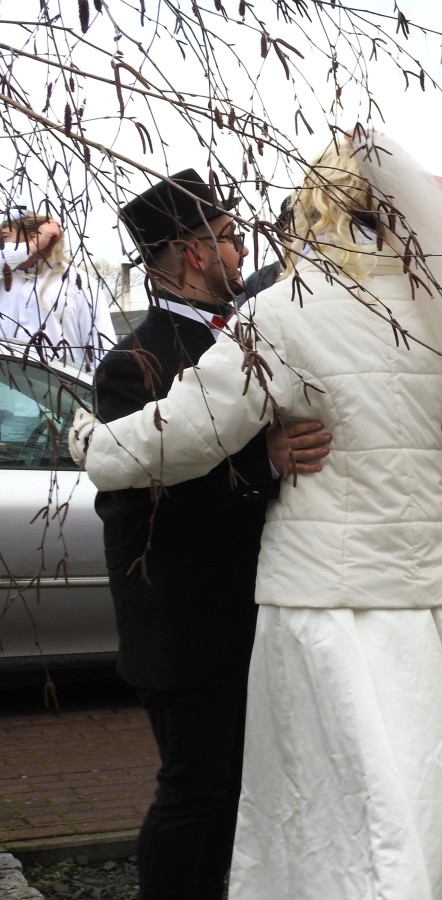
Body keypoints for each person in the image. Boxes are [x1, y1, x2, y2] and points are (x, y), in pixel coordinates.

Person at [75, 129, 442, 898]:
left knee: (332, 798)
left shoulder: (283, 315)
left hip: (324, 597)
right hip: (425, 596)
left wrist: (91, 442)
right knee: (429, 782)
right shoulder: (437, 317)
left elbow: (185, 435)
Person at [86, 168, 329, 900]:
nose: (240, 252)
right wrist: (266, 462)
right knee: (194, 791)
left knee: (232, 794)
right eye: (227, 239)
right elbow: (141, 502)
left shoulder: (243, 339)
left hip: (246, 615)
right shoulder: (135, 363)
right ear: (193, 252)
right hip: (184, 629)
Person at [0, 212, 115, 366]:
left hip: (62, 378)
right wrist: (31, 247)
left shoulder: (75, 281)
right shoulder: (3, 278)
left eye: (5, 237)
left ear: (32, 236)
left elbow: (101, 344)